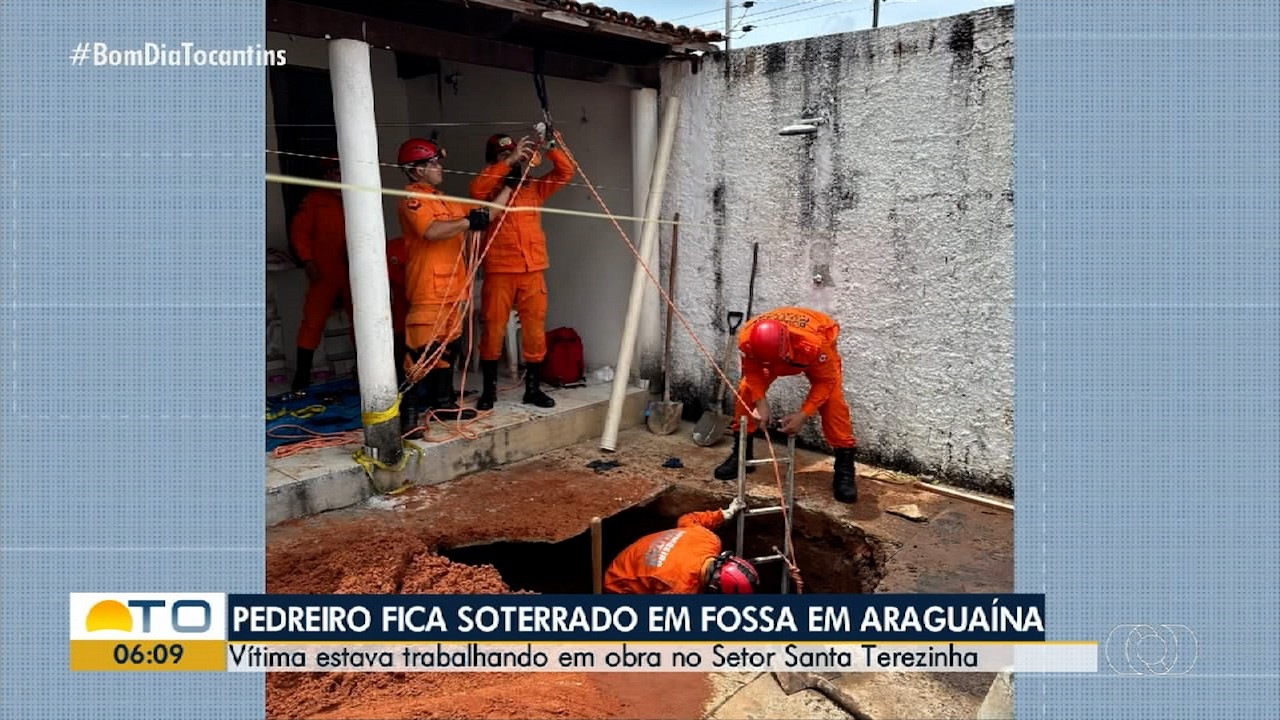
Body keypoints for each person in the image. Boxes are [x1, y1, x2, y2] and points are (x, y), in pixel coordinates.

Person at [395, 138, 514, 435]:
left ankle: (443, 403)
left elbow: (486, 212)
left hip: (453, 289)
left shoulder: (444, 200)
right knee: (420, 353)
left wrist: (510, 184)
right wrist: (465, 223)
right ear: (416, 170)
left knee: (448, 349)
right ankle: (407, 418)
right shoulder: (413, 200)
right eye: (433, 163)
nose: (439, 168)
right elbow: (431, 232)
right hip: (428, 290)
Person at [468, 129, 576, 411]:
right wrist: (507, 164)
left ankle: (533, 390)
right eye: (504, 155)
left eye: (513, 153)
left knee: (534, 330)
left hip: (532, 268)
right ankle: (489, 392)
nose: (513, 159)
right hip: (500, 270)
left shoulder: (532, 187)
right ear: (494, 160)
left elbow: (565, 172)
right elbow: (476, 190)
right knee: (492, 329)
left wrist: (551, 145)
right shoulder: (491, 188)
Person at [713, 307, 859, 504]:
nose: (772, 369)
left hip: (812, 353)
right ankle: (741, 455)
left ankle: (845, 470)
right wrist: (760, 401)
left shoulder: (814, 345)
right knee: (745, 392)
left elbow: (825, 382)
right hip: (770, 354)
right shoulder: (747, 339)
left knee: (833, 404)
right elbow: (753, 371)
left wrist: (803, 415)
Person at [603, 498, 759, 594]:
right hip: (618, 584)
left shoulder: (709, 540)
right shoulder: (680, 590)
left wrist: (724, 514)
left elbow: (687, 519)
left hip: (635, 557)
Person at [288, 156, 350, 392]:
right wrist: (307, 261)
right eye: (333, 171)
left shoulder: (356, 197)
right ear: (326, 175)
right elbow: (299, 233)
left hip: (354, 272)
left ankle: (367, 372)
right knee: (312, 322)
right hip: (323, 271)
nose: (337, 174)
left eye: (340, 170)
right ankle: (301, 378)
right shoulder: (315, 200)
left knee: (362, 321)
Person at [385, 234, 409, 386]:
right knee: (400, 342)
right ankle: (402, 382)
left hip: (424, 302)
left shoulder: (429, 242)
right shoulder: (393, 247)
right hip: (401, 304)